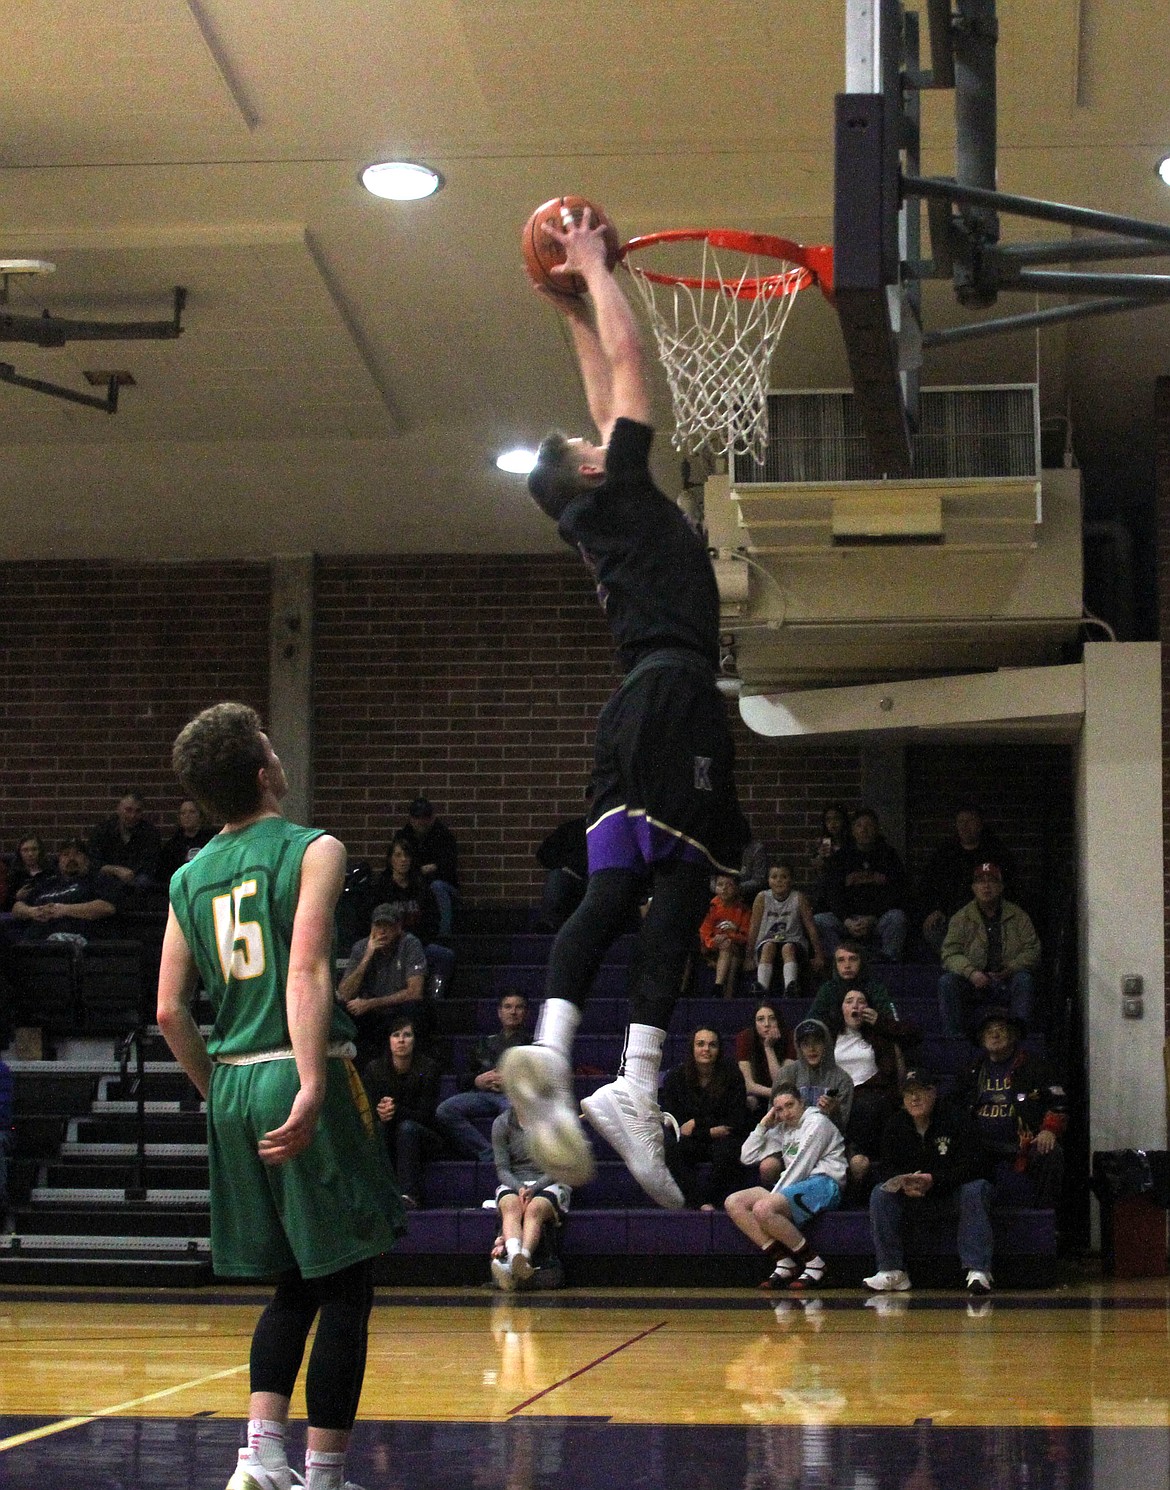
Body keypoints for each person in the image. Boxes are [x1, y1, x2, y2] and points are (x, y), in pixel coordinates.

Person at [501, 207, 748, 1210]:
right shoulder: (626, 490)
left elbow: (603, 393)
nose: (600, 432)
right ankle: (630, 1081)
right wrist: (599, 273)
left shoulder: (599, 510)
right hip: (673, 695)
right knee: (688, 879)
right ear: (593, 466)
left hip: (637, 705)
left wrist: (567, 302)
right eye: (589, 440)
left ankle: (568, 1060)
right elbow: (633, 364)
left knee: (630, 892)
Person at [156, 701, 404, 1490]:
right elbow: (306, 971)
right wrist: (309, 1080)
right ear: (265, 770)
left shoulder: (187, 877)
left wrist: (220, 1091)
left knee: (296, 1278)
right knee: (348, 1284)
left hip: (231, 1081)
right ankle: (323, 1474)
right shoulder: (312, 848)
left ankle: (260, 1456)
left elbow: (168, 1011)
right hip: (297, 1065)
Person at [863, 1069, 991, 1295]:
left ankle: (977, 1270)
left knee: (975, 1189)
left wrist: (935, 1180)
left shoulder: (956, 1119)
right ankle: (892, 1270)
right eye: (909, 1093)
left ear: (934, 1092)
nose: (915, 1098)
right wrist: (903, 1183)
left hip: (950, 1193)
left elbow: (975, 1165)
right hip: (913, 1197)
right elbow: (886, 1167)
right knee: (880, 1193)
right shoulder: (895, 1125)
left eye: (921, 1091)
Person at [727, 1082, 846, 1290]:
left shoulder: (817, 1122)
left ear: (801, 1103)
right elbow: (747, 1157)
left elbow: (801, 1165)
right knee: (734, 1202)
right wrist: (763, 1125)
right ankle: (783, 1262)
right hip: (796, 1187)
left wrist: (770, 1201)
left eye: (790, 1105)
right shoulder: (782, 1129)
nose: (786, 1112)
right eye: (779, 1109)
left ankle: (815, 1264)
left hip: (826, 1184)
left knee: (763, 1208)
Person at [949, 1008, 1067, 1216]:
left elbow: (1058, 1100)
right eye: (989, 1031)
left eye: (1000, 1029)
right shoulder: (973, 1069)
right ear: (981, 1039)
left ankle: (1044, 1218)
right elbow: (953, 1103)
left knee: (1051, 1152)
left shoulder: (1034, 1065)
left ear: (1013, 1035)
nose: (994, 1034)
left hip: (1023, 1141)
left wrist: (1049, 1129)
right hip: (981, 1145)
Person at [825, 989, 919, 1187]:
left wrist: (880, 1022)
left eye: (861, 1002)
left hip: (873, 1098)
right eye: (849, 1001)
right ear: (842, 1009)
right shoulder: (831, 1037)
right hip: (839, 1098)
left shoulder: (878, 1034)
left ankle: (857, 1159)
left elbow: (914, 1035)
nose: (856, 1006)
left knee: (869, 1105)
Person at [938, 863, 1041, 1038]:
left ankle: (1019, 1035)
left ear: (1001, 887)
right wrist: (971, 973)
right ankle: (954, 1040)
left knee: (1024, 980)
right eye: (980, 881)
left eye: (992, 881)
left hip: (1007, 981)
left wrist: (1011, 968)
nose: (986, 886)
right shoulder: (961, 918)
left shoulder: (1018, 916)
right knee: (947, 982)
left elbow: (1033, 950)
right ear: (973, 888)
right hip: (974, 983)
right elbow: (949, 953)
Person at [434, 990, 531, 1160]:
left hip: (513, 1096)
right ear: (499, 1012)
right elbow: (462, 1079)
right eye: (508, 1007)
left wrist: (511, 1083)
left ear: (525, 1012)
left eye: (518, 1007)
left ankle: (511, 1156)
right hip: (482, 1094)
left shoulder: (534, 1045)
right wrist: (477, 1080)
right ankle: (490, 1154)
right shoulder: (484, 1043)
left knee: (511, 1111)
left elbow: (540, 1081)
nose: (513, 1011)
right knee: (445, 1110)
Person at [660, 1027, 750, 1209]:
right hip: (696, 1138)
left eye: (712, 1045)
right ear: (692, 1048)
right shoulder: (675, 1078)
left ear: (719, 1050)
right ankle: (699, 1203)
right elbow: (677, 1123)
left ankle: (709, 1201)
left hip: (724, 1138)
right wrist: (709, 1130)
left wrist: (697, 1124)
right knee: (674, 1151)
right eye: (700, 1044)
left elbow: (737, 1118)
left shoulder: (732, 1075)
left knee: (728, 1152)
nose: (706, 1049)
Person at [361, 1013, 443, 1209]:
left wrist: (395, 1111)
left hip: (424, 1134)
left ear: (415, 1040)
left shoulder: (429, 1068)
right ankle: (380, 1193)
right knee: (378, 1129)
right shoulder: (374, 1069)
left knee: (406, 1128)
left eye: (407, 1035)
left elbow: (426, 1115)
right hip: (388, 1130)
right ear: (388, 1041)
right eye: (396, 1035)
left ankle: (409, 1195)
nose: (401, 1040)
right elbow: (367, 1108)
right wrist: (379, 1112)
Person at [336, 903, 428, 1070]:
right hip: (371, 1015)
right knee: (343, 1008)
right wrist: (367, 957)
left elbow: (415, 992)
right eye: (378, 925)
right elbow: (344, 993)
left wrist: (371, 1003)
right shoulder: (361, 947)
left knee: (415, 1008)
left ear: (398, 927)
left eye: (388, 925)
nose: (383, 931)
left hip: (397, 1010)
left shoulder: (410, 944)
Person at [490, 1105, 571, 1292]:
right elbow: (502, 1169)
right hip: (516, 1182)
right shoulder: (501, 1123)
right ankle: (515, 1257)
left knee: (534, 1209)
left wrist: (534, 1188)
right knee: (510, 1206)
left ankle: (521, 1260)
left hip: (549, 1180)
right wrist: (519, 1188)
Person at [918, 805, 1018, 953]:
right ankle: (959, 961)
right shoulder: (945, 854)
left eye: (970, 821)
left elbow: (1009, 887)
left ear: (980, 824)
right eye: (961, 822)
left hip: (986, 916)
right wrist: (934, 909)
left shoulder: (996, 853)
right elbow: (928, 885)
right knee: (933, 929)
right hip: (950, 916)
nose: (965, 826)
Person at [814, 807, 908, 963]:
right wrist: (847, 920)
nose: (864, 830)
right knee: (819, 920)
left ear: (877, 829)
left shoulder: (889, 855)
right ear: (852, 830)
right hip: (848, 919)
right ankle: (840, 962)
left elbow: (898, 892)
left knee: (897, 918)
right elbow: (832, 894)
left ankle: (888, 962)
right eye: (859, 826)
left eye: (869, 825)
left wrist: (873, 917)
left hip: (878, 918)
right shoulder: (841, 857)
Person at [8, 838, 121, 941]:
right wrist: (33, 911)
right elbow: (17, 907)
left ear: (86, 859)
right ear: (59, 860)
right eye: (66, 854)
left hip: (75, 945)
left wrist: (63, 909)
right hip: (35, 945)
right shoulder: (47, 882)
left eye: (77, 854)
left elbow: (107, 907)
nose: (71, 858)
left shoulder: (96, 879)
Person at [747, 863, 824, 995]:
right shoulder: (762, 897)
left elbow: (810, 927)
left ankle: (791, 987)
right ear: (768, 881)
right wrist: (748, 956)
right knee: (768, 946)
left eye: (784, 877)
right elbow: (754, 927)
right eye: (774, 877)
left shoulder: (798, 897)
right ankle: (762, 988)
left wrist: (818, 954)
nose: (779, 880)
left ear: (791, 880)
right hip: (768, 941)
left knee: (787, 947)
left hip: (794, 942)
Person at [397, 797, 459, 939]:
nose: (420, 822)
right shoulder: (404, 837)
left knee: (437, 887)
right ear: (411, 819)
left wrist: (429, 869)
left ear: (432, 818)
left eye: (424, 818)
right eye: (417, 818)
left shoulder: (443, 836)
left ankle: (443, 937)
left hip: (443, 886)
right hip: (415, 883)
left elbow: (449, 867)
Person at [369, 835, 441, 947]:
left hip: (418, 944)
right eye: (398, 855)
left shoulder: (421, 887)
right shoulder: (380, 888)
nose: (403, 859)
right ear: (390, 859)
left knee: (445, 956)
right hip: (387, 945)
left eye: (407, 855)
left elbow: (433, 919)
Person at [806, 941, 898, 1026]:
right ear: (835, 964)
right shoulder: (828, 989)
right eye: (841, 960)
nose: (847, 965)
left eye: (853, 959)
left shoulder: (875, 988)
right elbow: (811, 1023)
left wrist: (879, 1021)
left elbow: (896, 1024)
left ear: (861, 962)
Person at [87, 790, 162, 889]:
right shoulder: (102, 831)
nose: (132, 816)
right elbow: (93, 863)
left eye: (137, 811)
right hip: (108, 880)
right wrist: (116, 870)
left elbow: (150, 866)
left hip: (137, 883)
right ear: (118, 809)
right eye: (128, 810)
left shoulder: (150, 834)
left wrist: (129, 875)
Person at [698, 873, 752, 996]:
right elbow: (704, 932)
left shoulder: (743, 910)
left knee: (729, 951)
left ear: (737, 888)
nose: (724, 888)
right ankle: (725, 994)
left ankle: (719, 988)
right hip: (712, 948)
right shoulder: (711, 908)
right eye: (720, 885)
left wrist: (730, 936)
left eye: (729, 885)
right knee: (728, 952)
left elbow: (746, 935)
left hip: (735, 947)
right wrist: (714, 942)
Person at [736, 1001, 790, 1115]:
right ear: (754, 1024)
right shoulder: (745, 1037)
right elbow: (748, 1085)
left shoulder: (789, 1038)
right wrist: (777, 1093)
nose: (767, 1024)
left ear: (778, 1021)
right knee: (750, 1102)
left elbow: (781, 1082)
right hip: (758, 1095)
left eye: (772, 1018)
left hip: (785, 1096)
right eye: (760, 1019)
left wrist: (768, 1048)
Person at [157, 798, 217, 886]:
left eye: (192, 812)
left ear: (200, 816)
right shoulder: (173, 845)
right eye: (183, 813)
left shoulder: (211, 841)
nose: (187, 816)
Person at [808, 804, 850, 912]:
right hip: (828, 891)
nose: (833, 823)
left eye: (837, 818)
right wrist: (819, 859)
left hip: (848, 888)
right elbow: (820, 874)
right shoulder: (823, 844)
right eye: (828, 820)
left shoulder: (851, 844)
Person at [6, 834, 48, 908]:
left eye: (34, 849)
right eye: (25, 850)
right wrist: (17, 897)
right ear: (19, 853)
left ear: (40, 851)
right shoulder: (14, 875)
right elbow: (5, 906)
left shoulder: (50, 873)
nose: (30, 854)